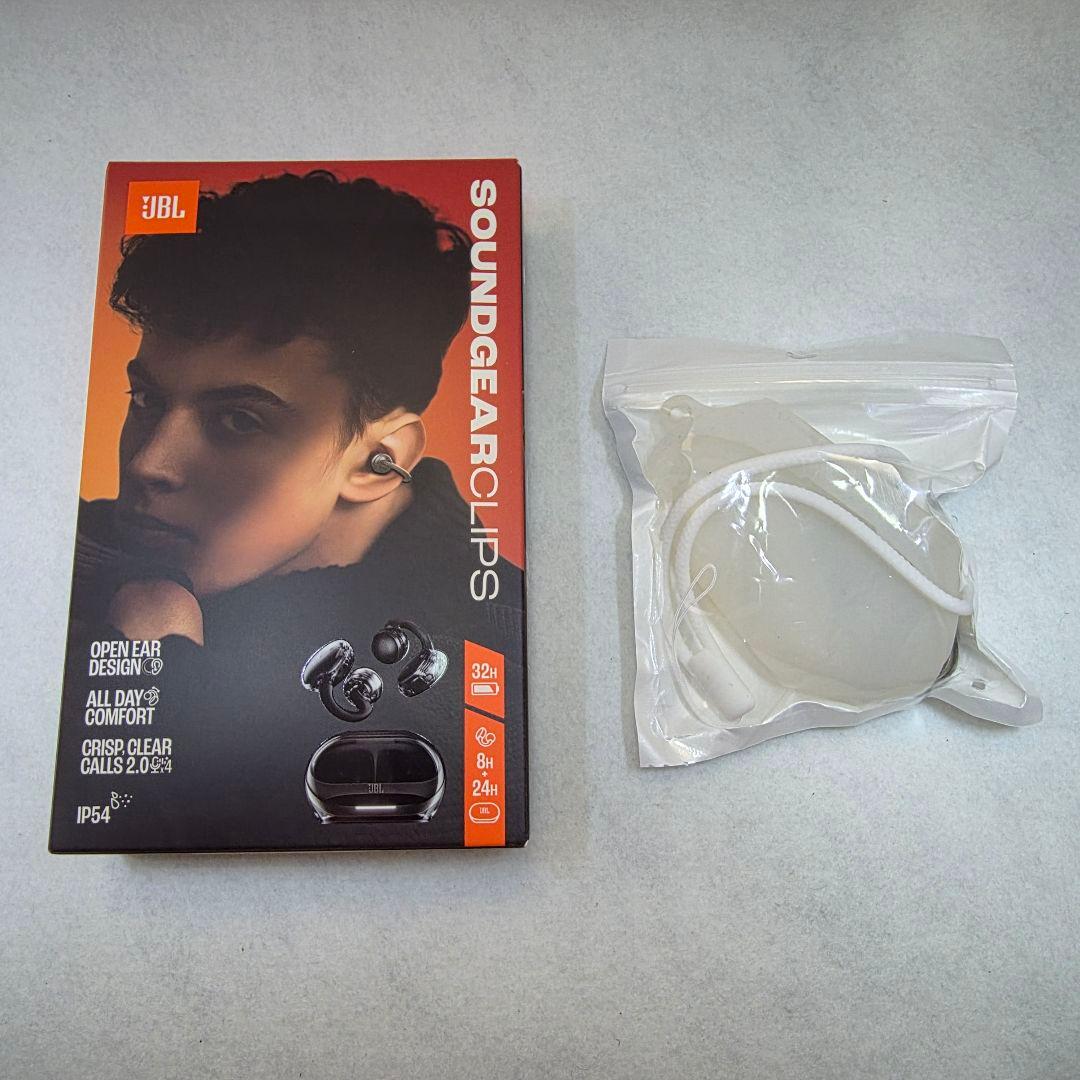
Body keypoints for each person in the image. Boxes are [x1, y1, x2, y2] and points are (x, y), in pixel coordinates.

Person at [56, 171, 525, 849]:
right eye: (148, 401)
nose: (148, 464)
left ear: (376, 461)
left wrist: (155, 661)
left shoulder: (484, 667)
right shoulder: (69, 554)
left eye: (238, 421)